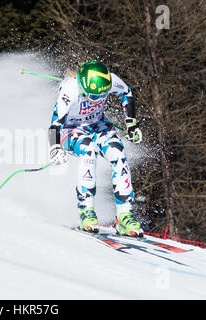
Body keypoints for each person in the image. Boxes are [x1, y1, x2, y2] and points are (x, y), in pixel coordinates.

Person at [48, 61, 143, 236]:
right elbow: (54, 124)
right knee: (88, 149)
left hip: (98, 124)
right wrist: (55, 148)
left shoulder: (110, 80)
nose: (97, 99)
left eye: (102, 95)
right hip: (71, 129)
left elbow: (126, 92)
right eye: (92, 95)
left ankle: (124, 215)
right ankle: (86, 210)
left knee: (118, 152)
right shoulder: (69, 91)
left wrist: (131, 124)